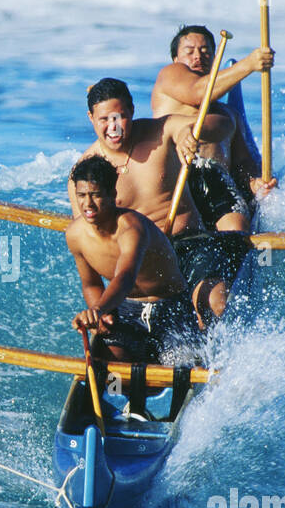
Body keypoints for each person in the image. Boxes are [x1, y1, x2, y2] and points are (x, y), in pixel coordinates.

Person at [72, 78, 240, 330]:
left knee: (216, 302)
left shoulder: (161, 131)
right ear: (90, 118)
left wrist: (191, 133)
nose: (113, 127)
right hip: (140, 266)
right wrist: (100, 313)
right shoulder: (84, 175)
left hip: (188, 244)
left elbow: (226, 125)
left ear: (132, 111)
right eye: (104, 120)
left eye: (119, 117)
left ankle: (213, 360)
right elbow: (90, 245)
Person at [66, 154, 194, 361]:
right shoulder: (75, 235)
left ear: (112, 194)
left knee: (180, 370)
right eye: (81, 195)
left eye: (95, 195)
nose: (87, 204)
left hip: (170, 308)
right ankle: (121, 389)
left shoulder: (132, 228)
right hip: (126, 311)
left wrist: (98, 309)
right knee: (111, 368)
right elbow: (91, 284)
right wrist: (100, 316)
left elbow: (125, 277)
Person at [150, 24, 277, 232]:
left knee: (237, 227)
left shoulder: (229, 115)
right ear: (175, 59)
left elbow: (242, 163)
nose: (197, 56)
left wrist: (255, 184)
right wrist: (249, 64)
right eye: (189, 52)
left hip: (217, 184)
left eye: (205, 51)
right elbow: (198, 92)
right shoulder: (169, 76)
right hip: (174, 179)